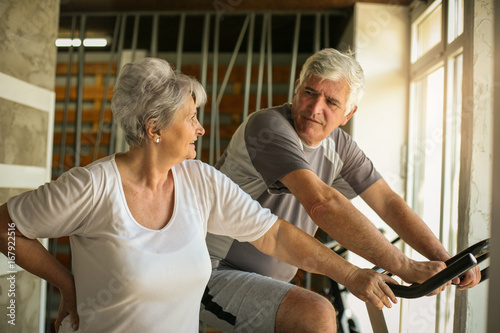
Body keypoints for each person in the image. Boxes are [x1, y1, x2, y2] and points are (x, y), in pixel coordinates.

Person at [0, 57, 401, 333]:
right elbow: (6, 225)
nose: (200, 129)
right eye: (192, 118)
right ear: (155, 127)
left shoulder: (200, 181)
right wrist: (65, 283)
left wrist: (352, 275)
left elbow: (275, 234)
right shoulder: (93, 186)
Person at [201, 48, 481, 332]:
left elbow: (386, 201)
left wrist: (445, 259)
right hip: (213, 272)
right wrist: (405, 266)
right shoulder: (269, 127)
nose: (314, 108)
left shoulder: (340, 146)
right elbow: (322, 202)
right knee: (317, 313)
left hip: (269, 281)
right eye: (309, 92)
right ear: (296, 89)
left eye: (331, 101)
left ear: (348, 113)